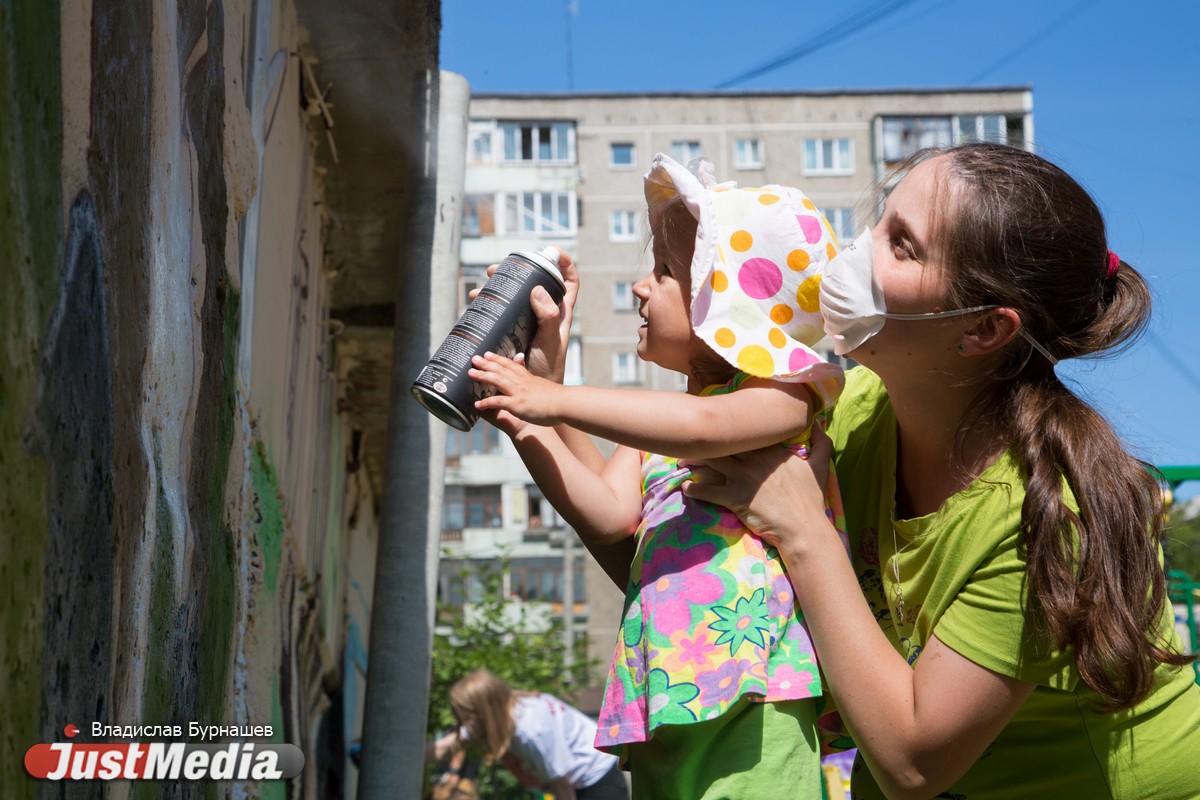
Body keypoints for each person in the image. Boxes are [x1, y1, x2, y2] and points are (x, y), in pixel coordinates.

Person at [680, 141, 1200, 799]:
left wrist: (805, 532)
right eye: (880, 221)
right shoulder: (855, 412)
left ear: (983, 330)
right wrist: (537, 414)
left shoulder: (1049, 515)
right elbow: (689, 575)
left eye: (901, 245)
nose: (856, 251)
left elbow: (912, 764)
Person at [468, 153, 846, 798]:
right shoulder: (668, 431)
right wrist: (527, 419)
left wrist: (552, 397)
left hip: (756, 695)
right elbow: (609, 513)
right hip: (666, 689)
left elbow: (703, 430)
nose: (643, 288)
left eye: (665, 273)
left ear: (730, 307)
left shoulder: (786, 398)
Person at [430, 669, 628, 800]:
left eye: (466, 717)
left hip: (596, 779)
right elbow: (445, 746)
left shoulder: (531, 731)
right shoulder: (503, 714)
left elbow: (563, 788)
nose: (464, 725)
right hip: (574, 782)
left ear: (484, 712)